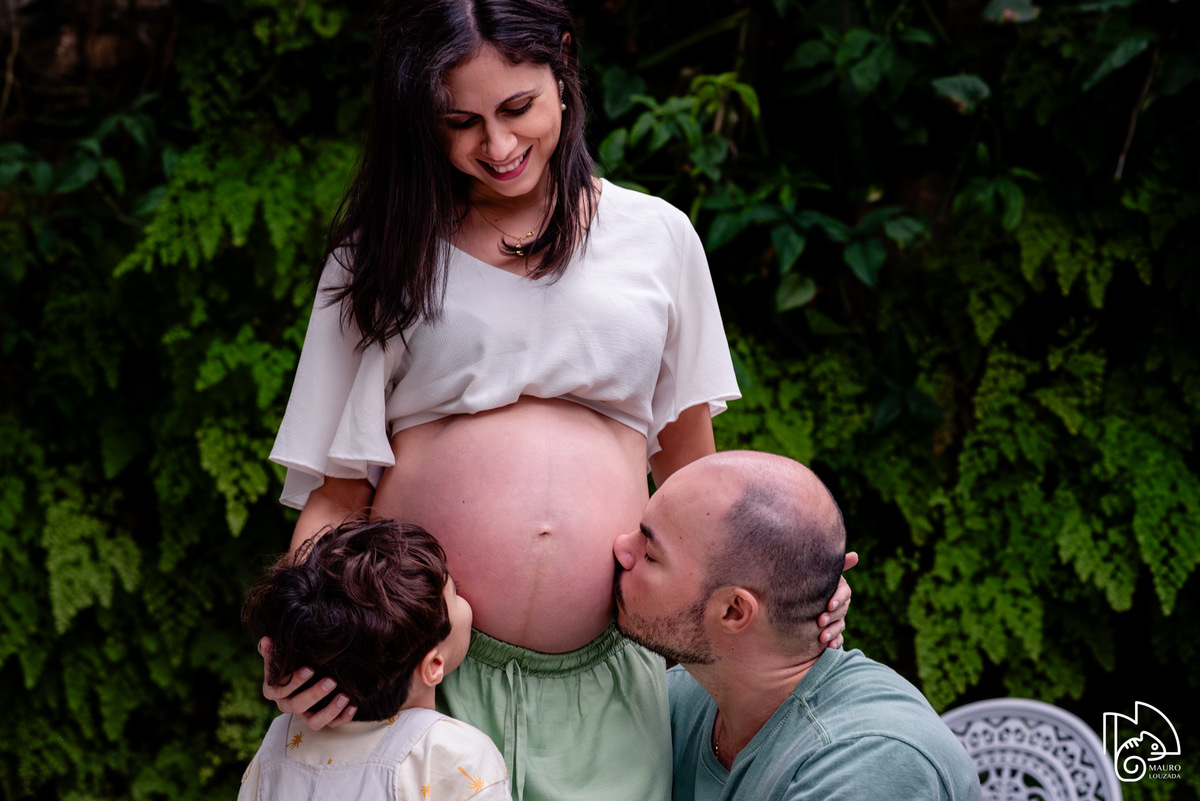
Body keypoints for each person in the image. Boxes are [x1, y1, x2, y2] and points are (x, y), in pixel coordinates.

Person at [262, 1, 851, 799]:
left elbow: (696, 484)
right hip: (415, 681)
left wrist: (795, 587)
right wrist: (298, 639)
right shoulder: (377, 257)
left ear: (563, 69)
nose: (497, 146)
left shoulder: (657, 238)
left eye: (518, 108)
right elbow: (338, 499)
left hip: (607, 690)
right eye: (460, 122)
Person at [613, 451, 981, 801]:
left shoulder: (872, 765)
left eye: (650, 554)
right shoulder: (680, 698)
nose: (620, 549)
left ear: (734, 612)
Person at [240, 519, 511, 801]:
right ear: (433, 666)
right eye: (455, 592)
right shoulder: (456, 754)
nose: (463, 599)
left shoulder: (280, 744)